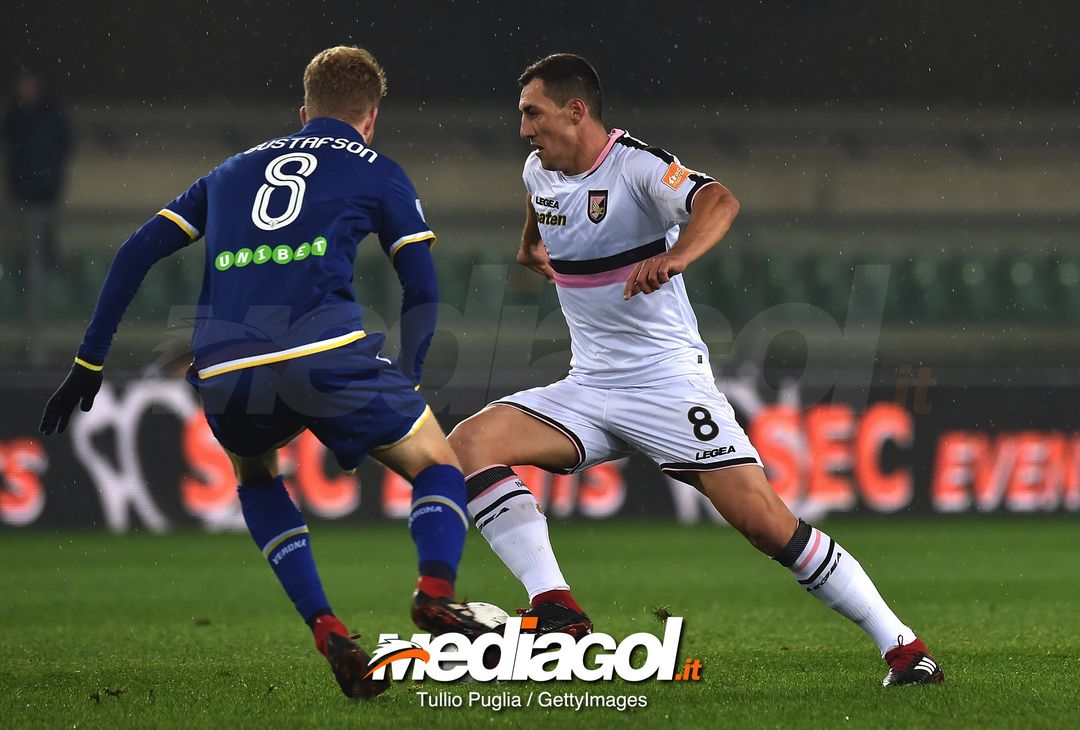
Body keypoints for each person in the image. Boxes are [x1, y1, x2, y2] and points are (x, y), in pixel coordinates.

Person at [448, 53, 944, 687]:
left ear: (576, 111)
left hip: (666, 384)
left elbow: (719, 200)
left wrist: (678, 255)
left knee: (766, 524)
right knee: (470, 445)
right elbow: (541, 201)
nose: (523, 129)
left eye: (532, 114)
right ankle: (557, 609)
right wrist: (529, 245)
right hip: (589, 385)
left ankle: (903, 647)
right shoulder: (537, 168)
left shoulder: (636, 167)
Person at [39, 46, 496, 700]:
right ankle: (434, 592)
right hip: (326, 350)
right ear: (371, 117)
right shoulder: (378, 169)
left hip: (227, 364)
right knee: (437, 465)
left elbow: (135, 251)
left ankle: (326, 627)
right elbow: (421, 286)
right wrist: (407, 378)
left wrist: (89, 361)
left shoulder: (231, 170)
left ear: (303, 111)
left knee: (256, 477)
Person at [2, 68, 74, 365]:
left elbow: (62, 147)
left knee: (42, 255)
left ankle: (39, 339)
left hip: (45, 198)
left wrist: (48, 182)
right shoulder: (16, 117)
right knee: (25, 258)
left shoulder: (50, 116)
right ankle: (32, 338)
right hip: (22, 200)